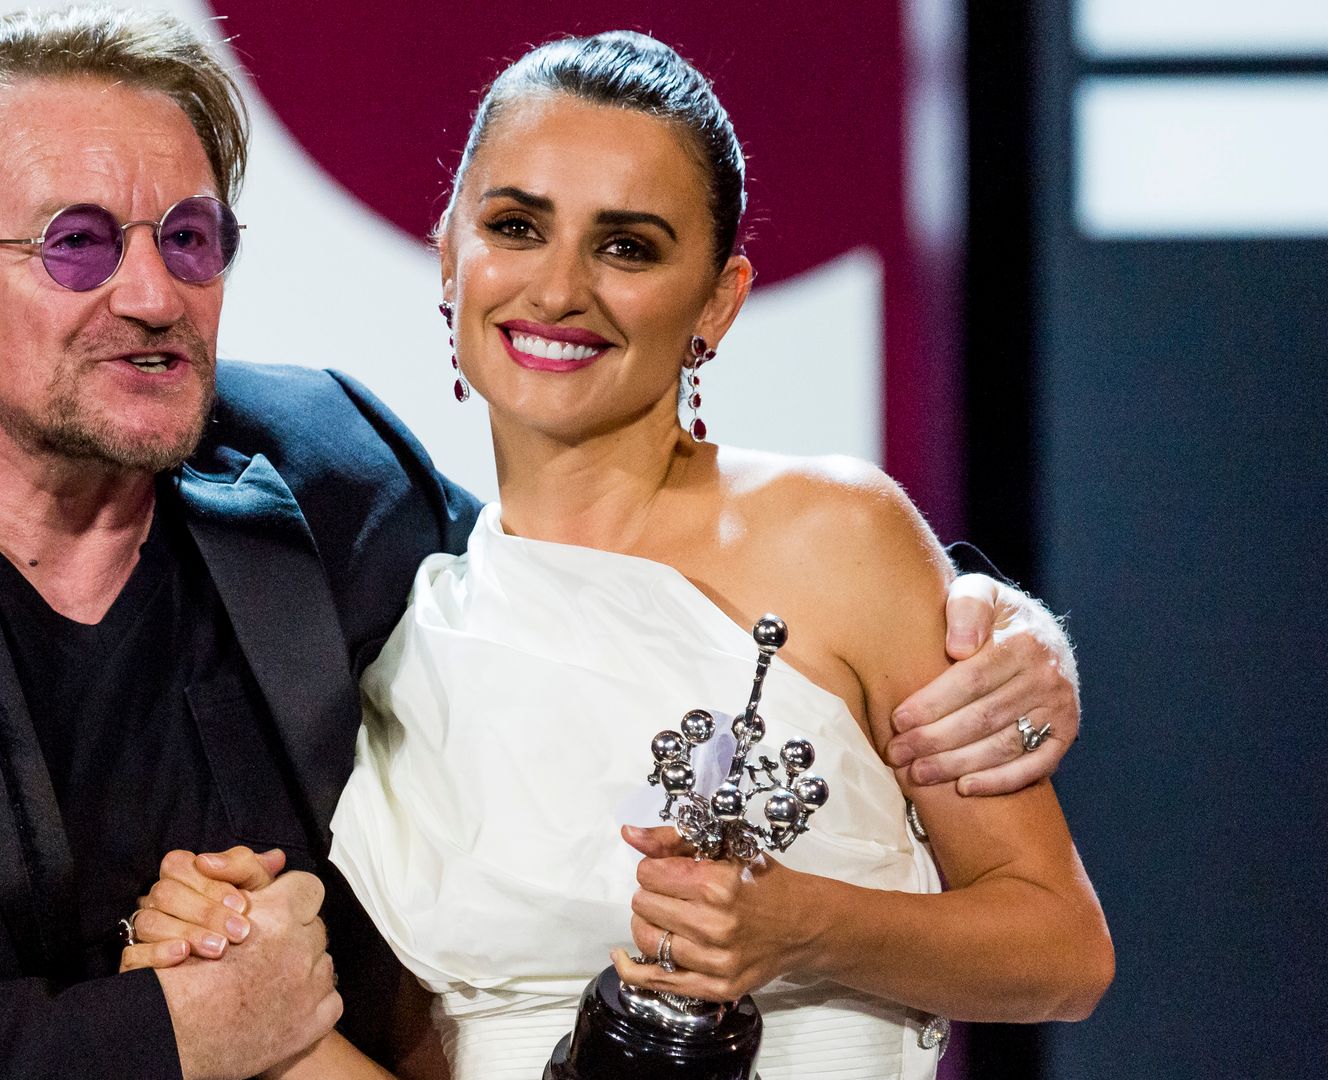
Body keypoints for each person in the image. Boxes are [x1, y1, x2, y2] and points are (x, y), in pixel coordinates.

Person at [0, 9, 1084, 1080]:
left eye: (189, 238)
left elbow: (603, 596)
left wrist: (991, 631)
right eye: (76, 245)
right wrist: (177, 1034)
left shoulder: (328, 473)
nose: (153, 294)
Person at [125, 30, 1112, 1080]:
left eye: (627, 246)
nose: (558, 289)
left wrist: (807, 926)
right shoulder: (414, 632)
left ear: (719, 301)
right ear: (448, 253)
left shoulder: (839, 535)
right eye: (516, 226)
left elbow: (1061, 952)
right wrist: (249, 993)